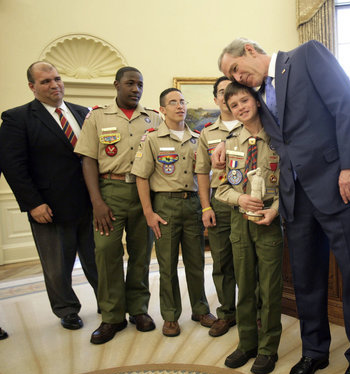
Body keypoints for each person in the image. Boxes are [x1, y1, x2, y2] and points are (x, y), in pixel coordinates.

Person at [216, 38, 350, 374]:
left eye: (235, 69)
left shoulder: (307, 56)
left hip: (339, 185)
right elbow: (252, 129)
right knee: (306, 281)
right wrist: (221, 150)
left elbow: (346, 104)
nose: (238, 78)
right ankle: (314, 352)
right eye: (232, 77)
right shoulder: (256, 92)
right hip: (295, 197)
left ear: (248, 50)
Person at [0, 61, 98, 331]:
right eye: (45, 82)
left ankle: (109, 302)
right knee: (58, 267)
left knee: (97, 259)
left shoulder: (83, 113)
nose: (54, 85)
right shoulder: (17, 118)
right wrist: (33, 203)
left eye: (56, 79)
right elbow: (13, 166)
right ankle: (67, 309)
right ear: (32, 87)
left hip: (90, 205)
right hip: (49, 209)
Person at [75, 66, 161, 344]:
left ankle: (138, 310)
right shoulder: (98, 117)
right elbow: (87, 159)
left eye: (140, 84)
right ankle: (112, 317)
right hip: (109, 191)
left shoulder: (153, 119)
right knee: (106, 251)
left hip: (144, 193)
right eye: (130, 83)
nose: (136, 89)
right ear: (116, 85)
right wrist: (96, 201)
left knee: (141, 252)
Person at [131, 87, 215, 337]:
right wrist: (148, 212)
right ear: (162, 109)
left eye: (182, 101)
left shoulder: (198, 138)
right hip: (165, 205)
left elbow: (205, 174)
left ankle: (200, 309)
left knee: (196, 262)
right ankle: (170, 315)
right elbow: (141, 177)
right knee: (167, 264)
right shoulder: (152, 139)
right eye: (173, 102)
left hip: (192, 204)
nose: (180, 106)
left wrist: (205, 206)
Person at [215, 82, 283, 374]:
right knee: (244, 284)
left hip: (269, 218)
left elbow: (291, 184)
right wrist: (238, 197)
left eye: (245, 100)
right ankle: (247, 343)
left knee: (269, 287)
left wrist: (276, 209)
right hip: (240, 219)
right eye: (234, 105)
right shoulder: (230, 143)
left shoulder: (279, 137)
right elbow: (221, 187)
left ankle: (268, 348)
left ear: (256, 100)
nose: (241, 107)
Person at [195, 76, 243, 337]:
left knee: (250, 261)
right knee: (222, 261)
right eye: (222, 92)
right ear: (216, 99)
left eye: (231, 92)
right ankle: (227, 313)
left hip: (248, 200)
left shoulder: (252, 126)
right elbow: (202, 173)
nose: (227, 97)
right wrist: (205, 207)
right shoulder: (207, 133)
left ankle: (253, 312)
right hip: (220, 202)